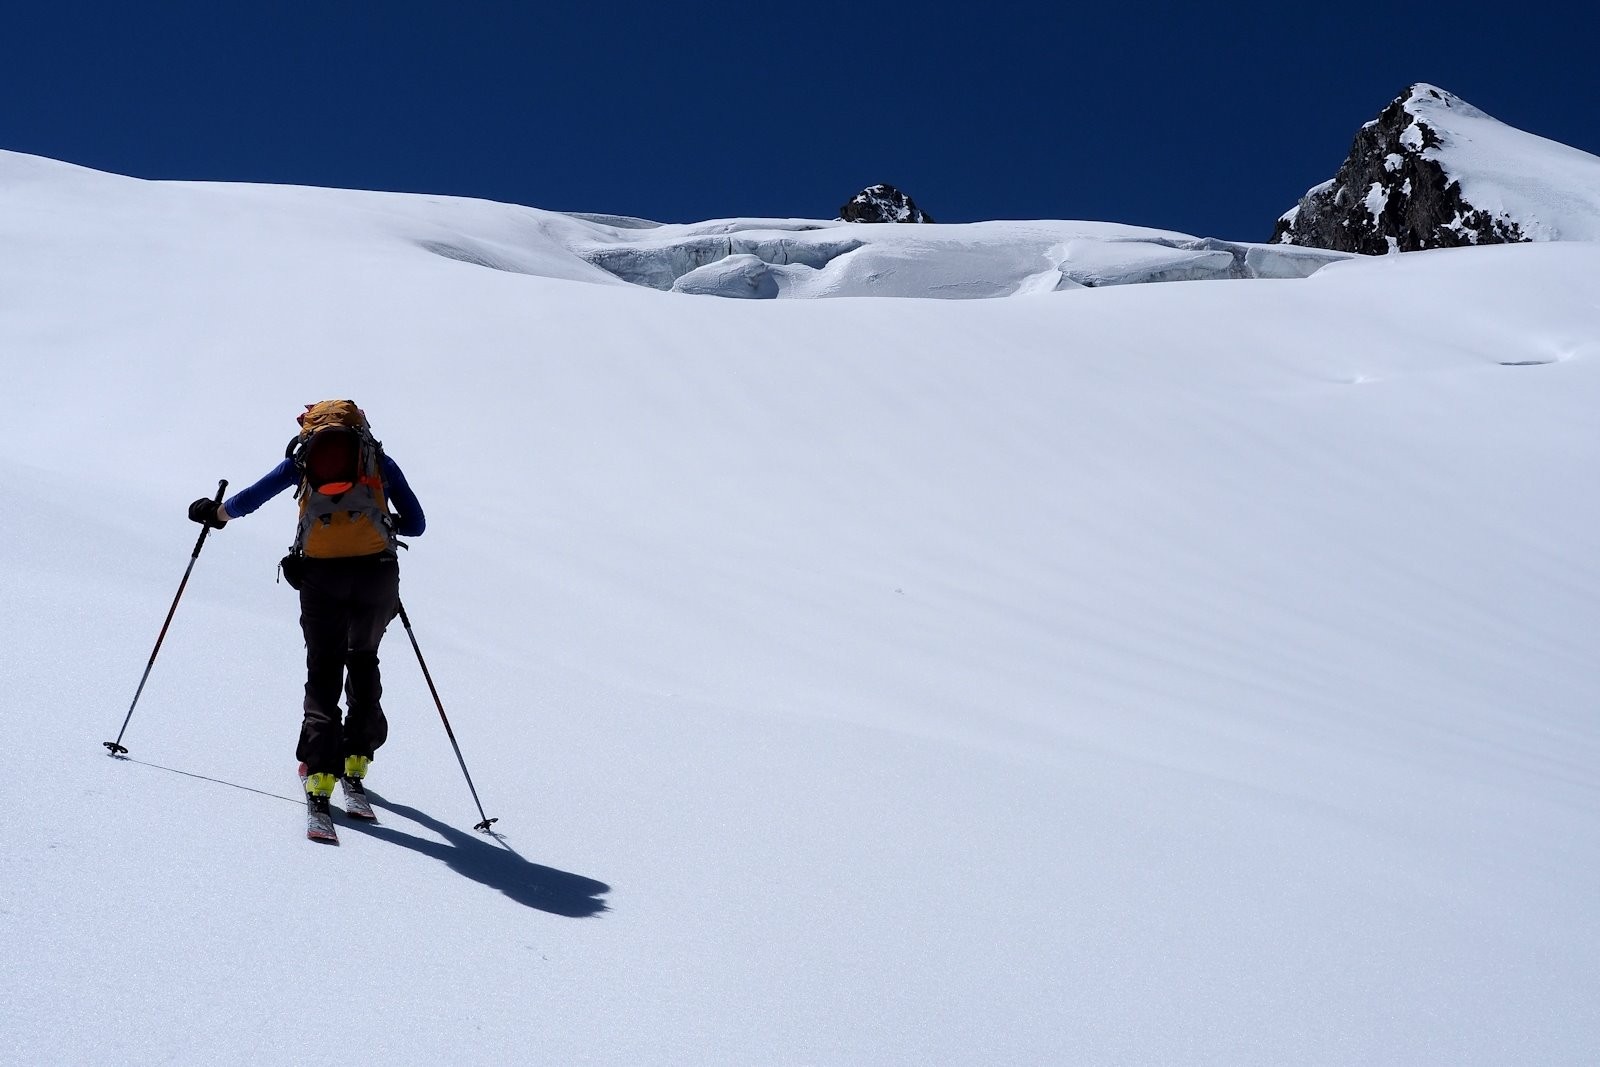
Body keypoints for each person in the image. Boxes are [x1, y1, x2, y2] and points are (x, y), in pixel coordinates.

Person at [187, 400, 425, 820]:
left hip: (321, 576)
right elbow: (417, 523)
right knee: (364, 658)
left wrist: (216, 513)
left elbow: (251, 497)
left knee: (324, 667)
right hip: (378, 575)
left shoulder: (304, 457)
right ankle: (356, 763)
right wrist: (382, 523)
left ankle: (319, 776)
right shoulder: (377, 460)